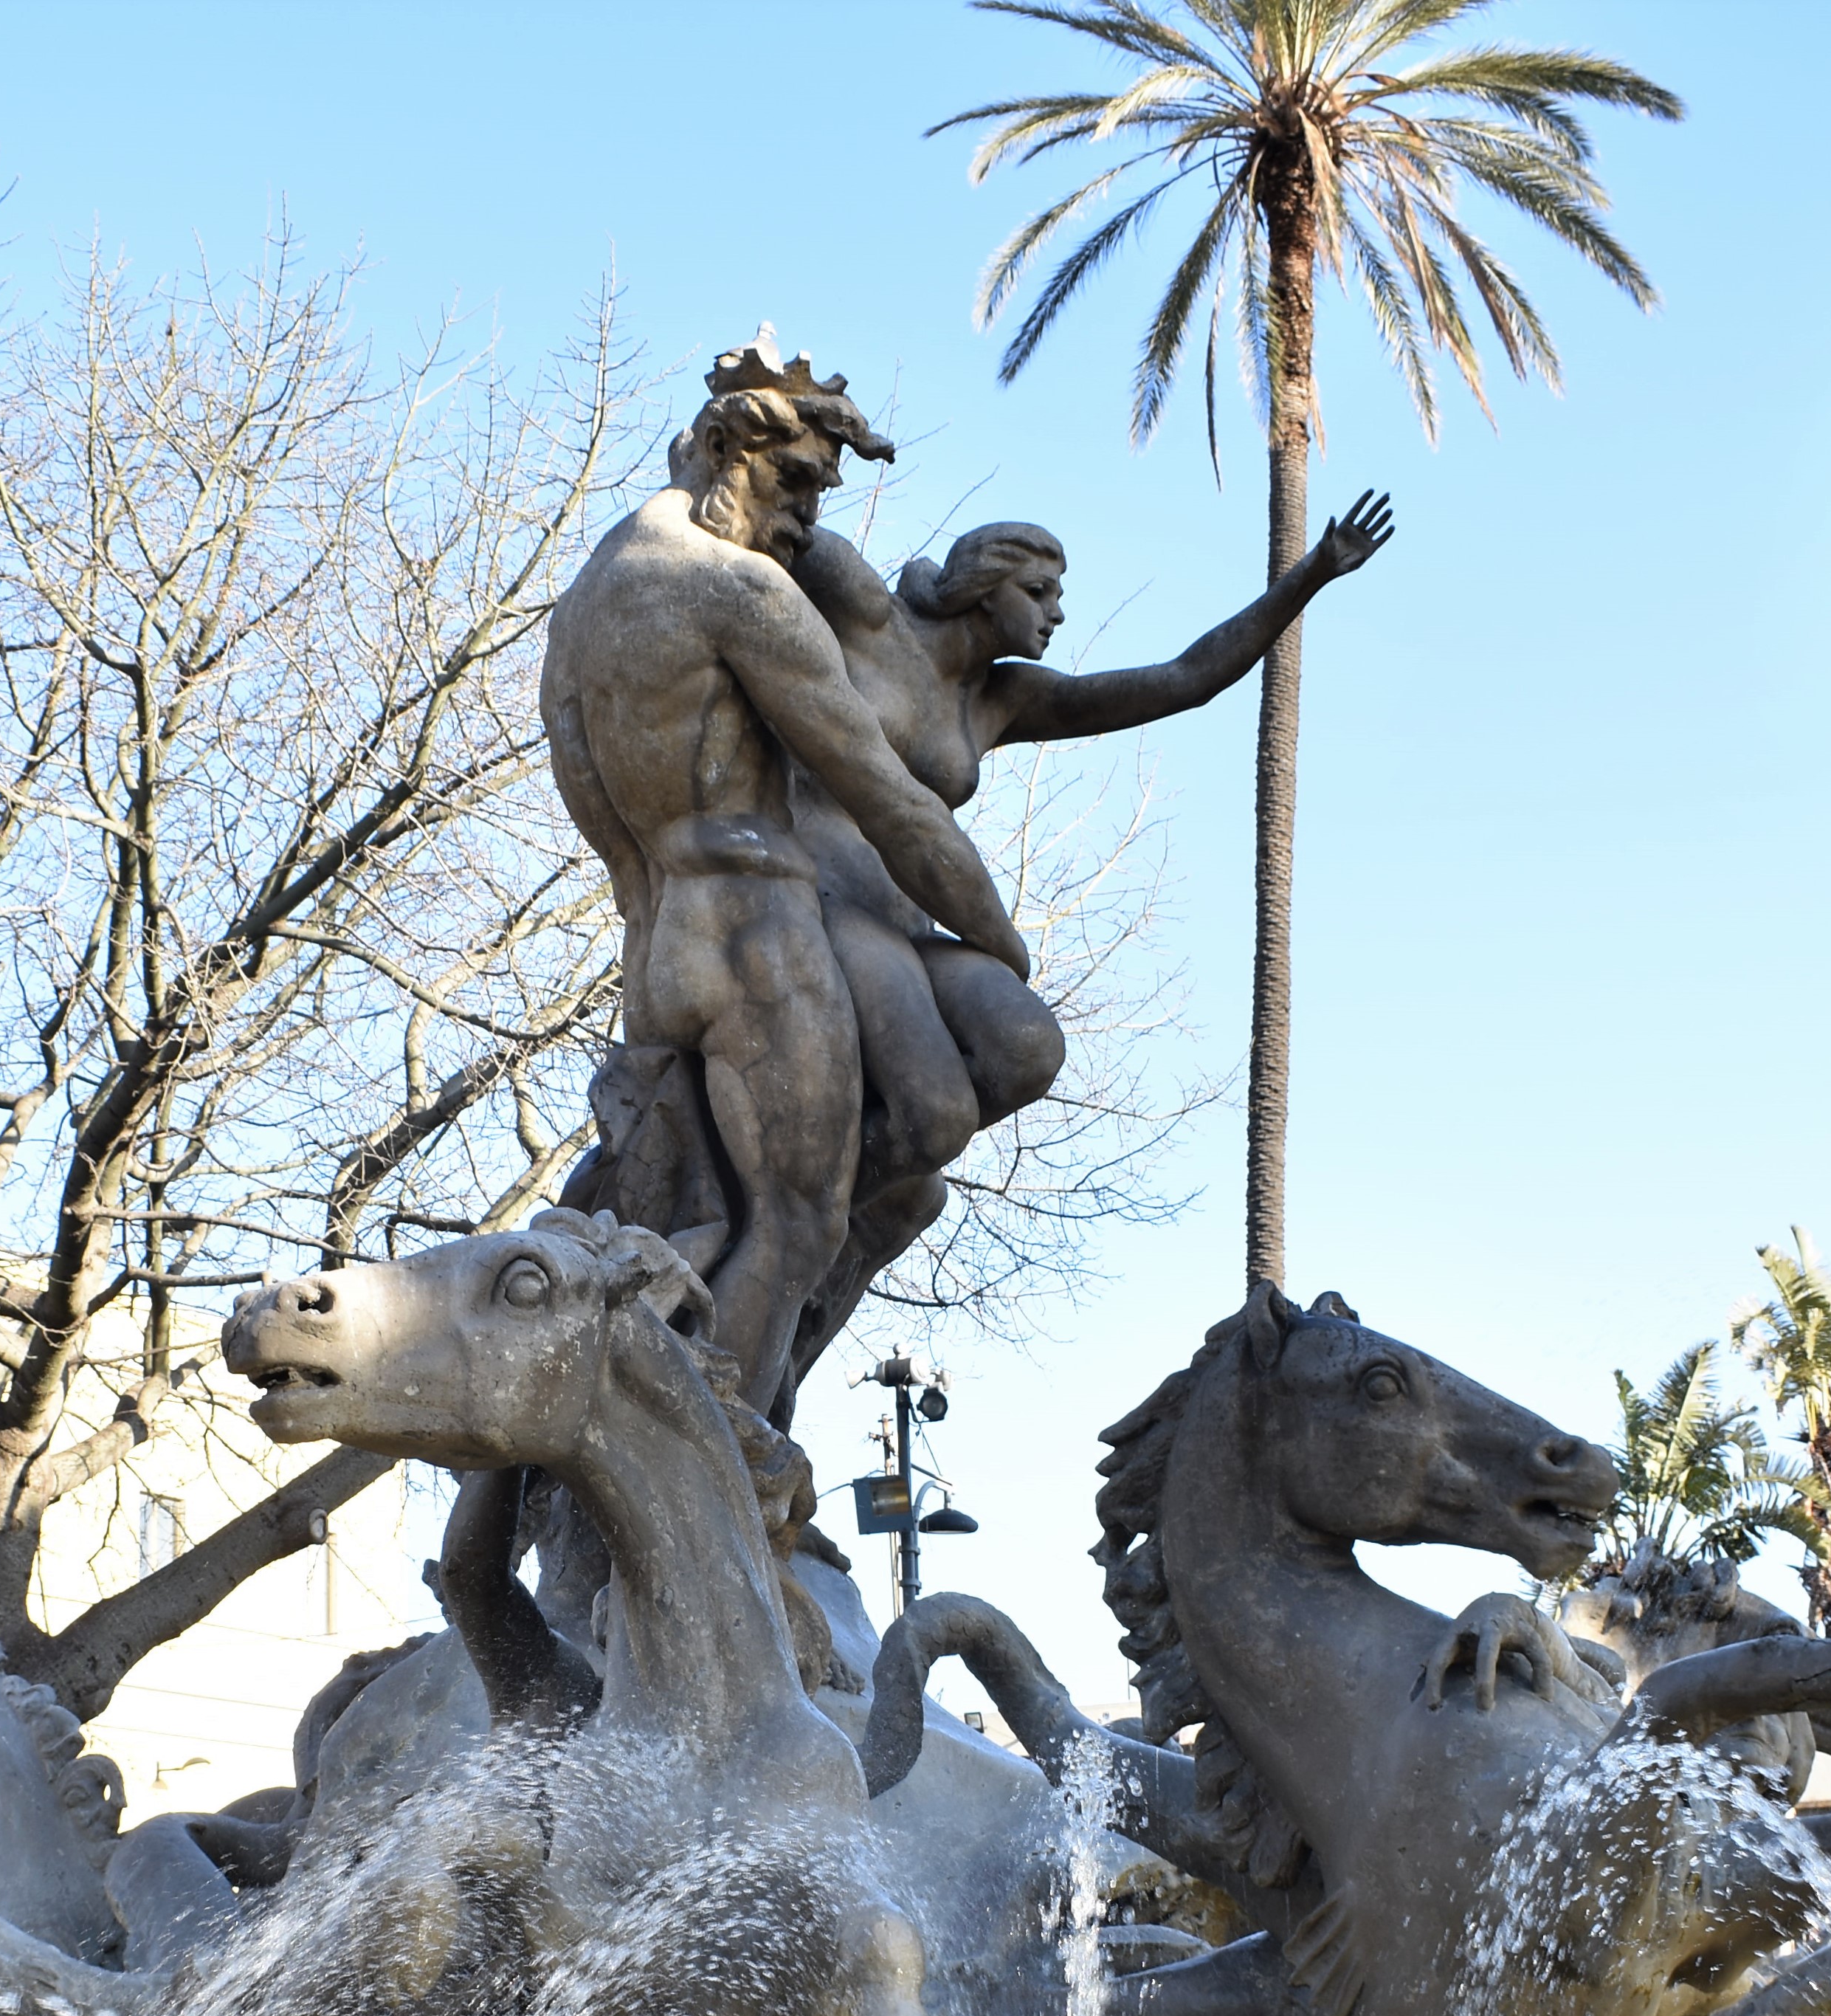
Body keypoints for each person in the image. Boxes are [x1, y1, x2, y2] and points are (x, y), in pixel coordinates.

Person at [539, 344, 1032, 1416]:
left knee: (767, 1216)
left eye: (820, 491)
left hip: (659, 952)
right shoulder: (735, 591)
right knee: (800, 1225)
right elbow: (894, 803)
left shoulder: (584, 600)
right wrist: (997, 940)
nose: (804, 520)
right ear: (719, 449)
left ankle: (677, 1429)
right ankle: (716, 1485)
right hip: (759, 937)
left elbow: (596, 803)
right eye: (794, 481)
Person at [785, 489, 1398, 1238]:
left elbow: (1184, 679)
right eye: (1038, 592)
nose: (1057, 614)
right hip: (821, 887)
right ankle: (796, 1218)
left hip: (906, 916)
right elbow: (771, 525)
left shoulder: (1003, 700)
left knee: (1027, 1047)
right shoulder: (871, 619)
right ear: (982, 589)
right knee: (936, 1110)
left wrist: (1310, 576)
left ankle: (831, 1225)